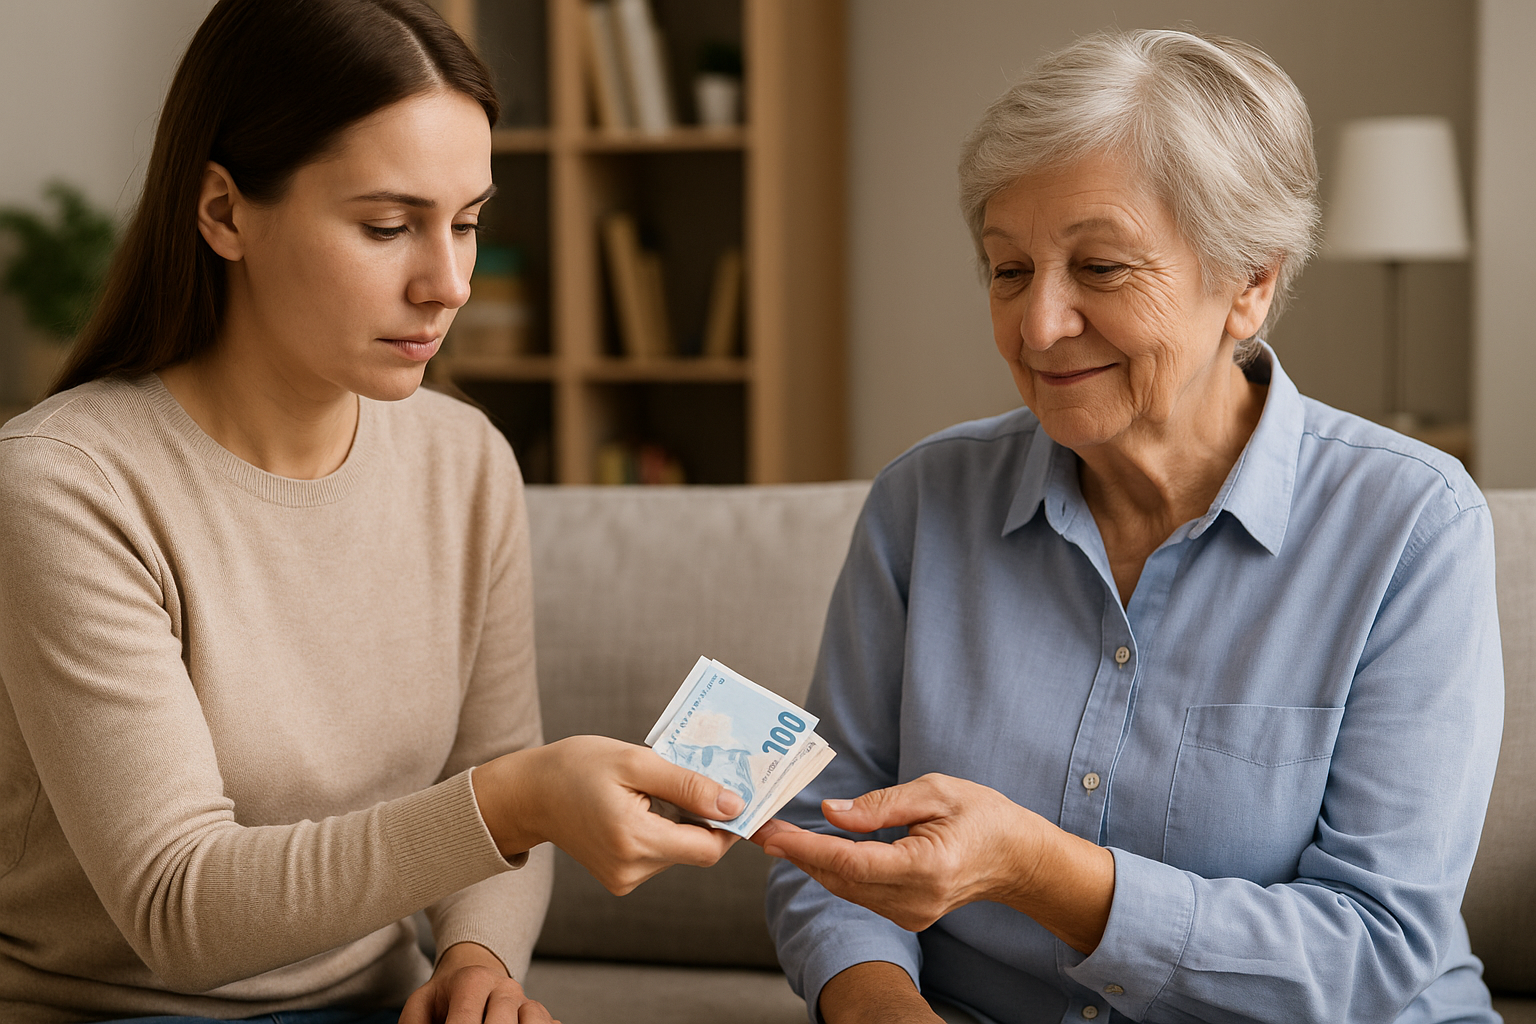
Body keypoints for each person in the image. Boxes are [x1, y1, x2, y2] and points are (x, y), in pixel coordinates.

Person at [0, 2, 743, 1022]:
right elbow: (179, 909)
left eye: (467, 222)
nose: (450, 283)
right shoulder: (67, 485)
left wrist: (477, 960)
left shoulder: (464, 460)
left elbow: (482, 767)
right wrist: (518, 800)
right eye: (388, 227)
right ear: (223, 212)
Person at [757, 28, 1503, 1024]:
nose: (1038, 327)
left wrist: (1036, 868)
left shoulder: (1411, 525)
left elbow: (1374, 947)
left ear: (1251, 282)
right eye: (1008, 270)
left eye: (1101, 267)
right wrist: (882, 1009)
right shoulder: (922, 502)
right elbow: (825, 832)